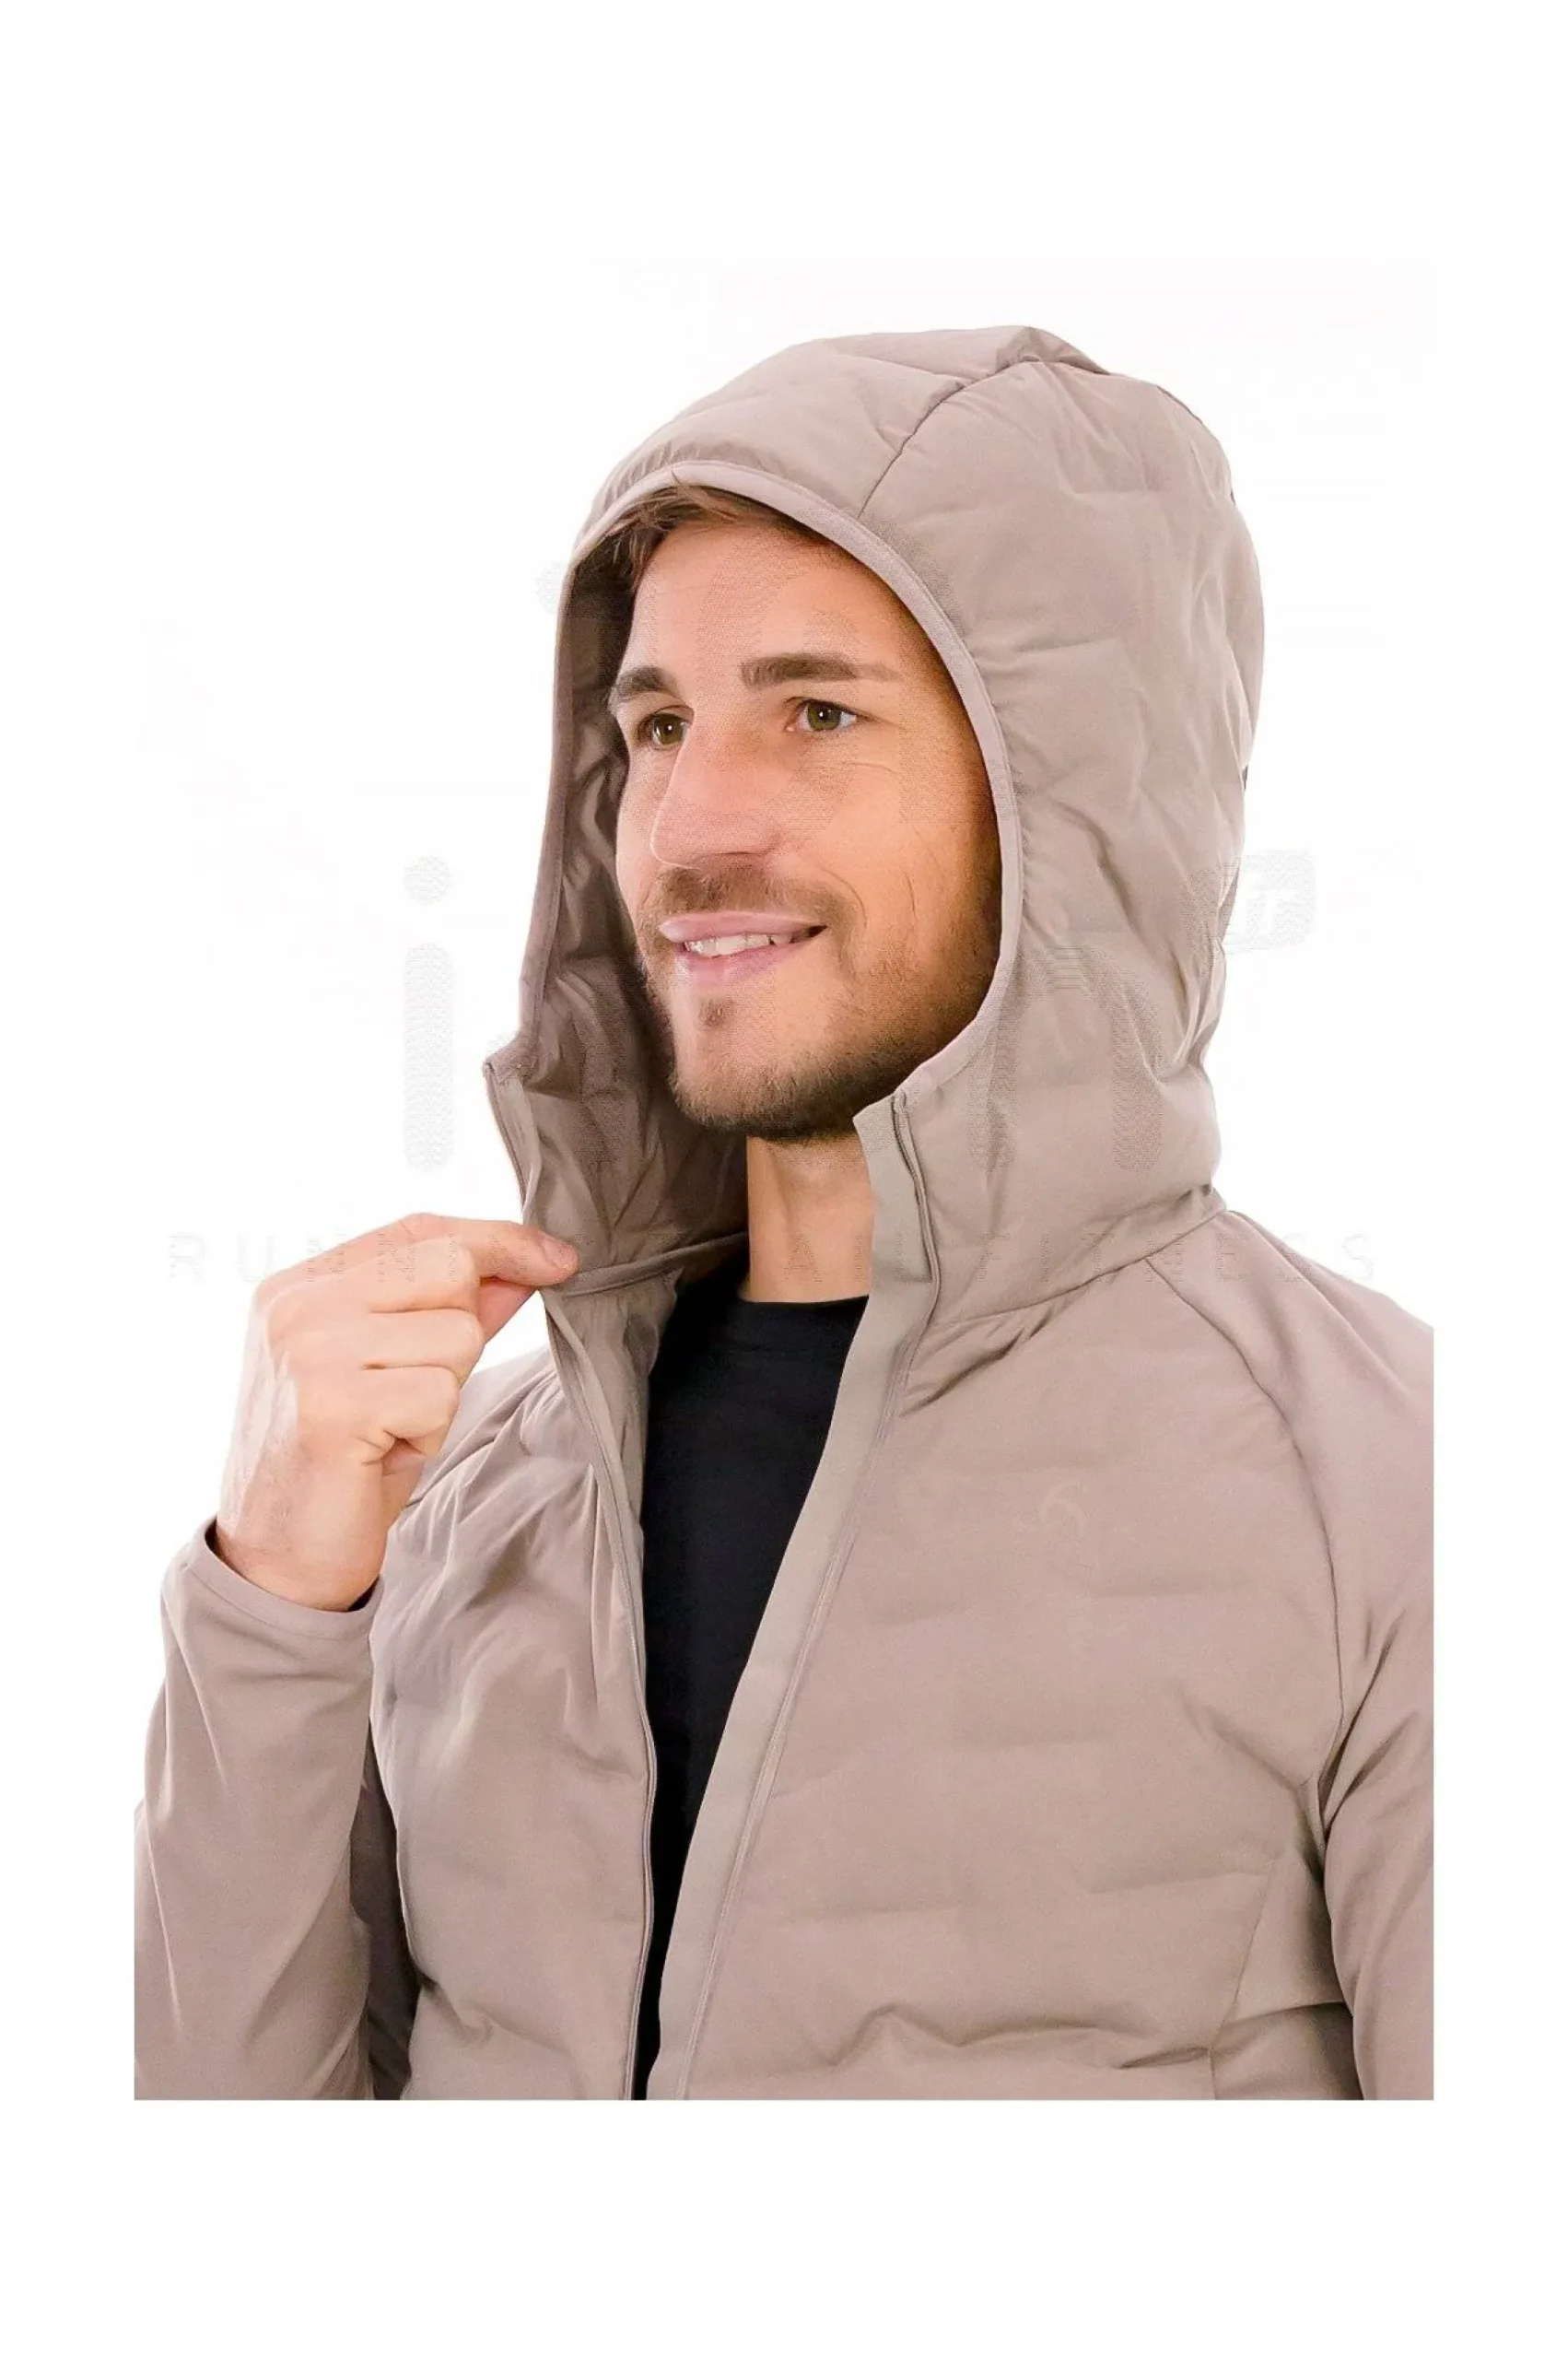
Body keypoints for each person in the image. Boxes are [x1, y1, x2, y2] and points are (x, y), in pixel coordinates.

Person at [135, 323, 1433, 2100]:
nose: (688, 826)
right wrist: (275, 1607)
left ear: (1071, 804)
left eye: (818, 712)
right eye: (658, 725)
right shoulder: (462, 1495)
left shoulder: (1398, 1487)